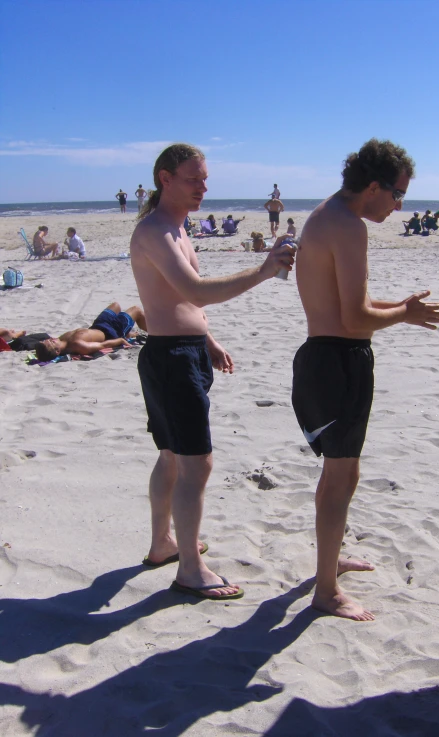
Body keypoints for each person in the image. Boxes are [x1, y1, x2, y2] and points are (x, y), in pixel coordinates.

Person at [292, 138, 439, 621]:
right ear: (375, 187)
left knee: (338, 474)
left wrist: (396, 306)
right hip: (338, 363)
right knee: (341, 477)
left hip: (324, 359)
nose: (400, 205)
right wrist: (404, 313)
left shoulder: (327, 216)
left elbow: (345, 304)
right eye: (398, 194)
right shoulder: (347, 226)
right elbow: (356, 320)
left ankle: (328, 562)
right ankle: (325, 592)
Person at [130, 143, 295, 601]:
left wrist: (207, 340)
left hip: (182, 352)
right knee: (194, 464)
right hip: (170, 359)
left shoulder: (178, 229)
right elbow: (195, 292)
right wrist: (263, 271)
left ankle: (163, 543)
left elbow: (179, 304)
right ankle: (190, 568)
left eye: (204, 178)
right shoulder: (155, 231)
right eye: (193, 178)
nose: (203, 186)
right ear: (165, 178)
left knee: (170, 455)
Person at [34, 302, 146, 362]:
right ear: (57, 351)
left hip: (99, 324)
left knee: (115, 305)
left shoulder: (62, 339)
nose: (51, 339)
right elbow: (103, 344)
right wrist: (121, 340)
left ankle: (129, 332)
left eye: (48, 340)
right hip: (113, 330)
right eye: (51, 342)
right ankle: (157, 332)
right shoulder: (78, 345)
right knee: (136, 310)